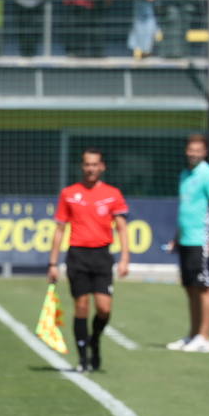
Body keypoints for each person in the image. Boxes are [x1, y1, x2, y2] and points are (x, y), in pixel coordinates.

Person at [46, 148, 131, 372]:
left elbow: (122, 228)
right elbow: (59, 229)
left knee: (104, 308)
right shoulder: (69, 193)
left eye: (95, 164)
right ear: (81, 166)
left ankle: (95, 339)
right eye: (86, 164)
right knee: (81, 306)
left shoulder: (113, 194)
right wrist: (53, 263)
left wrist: (124, 258)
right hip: (78, 255)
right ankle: (83, 357)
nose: (91, 169)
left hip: (102, 256)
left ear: (102, 167)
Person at [166, 134, 209, 353]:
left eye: (198, 150)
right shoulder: (185, 174)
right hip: (186, 240)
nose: (193, 153)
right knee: (190, 288)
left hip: (202, 240)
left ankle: (205, 337)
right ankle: (192, 335)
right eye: (190, 150)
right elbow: (186, 209)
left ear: (205, 152)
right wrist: (177, 237)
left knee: (204, 288)